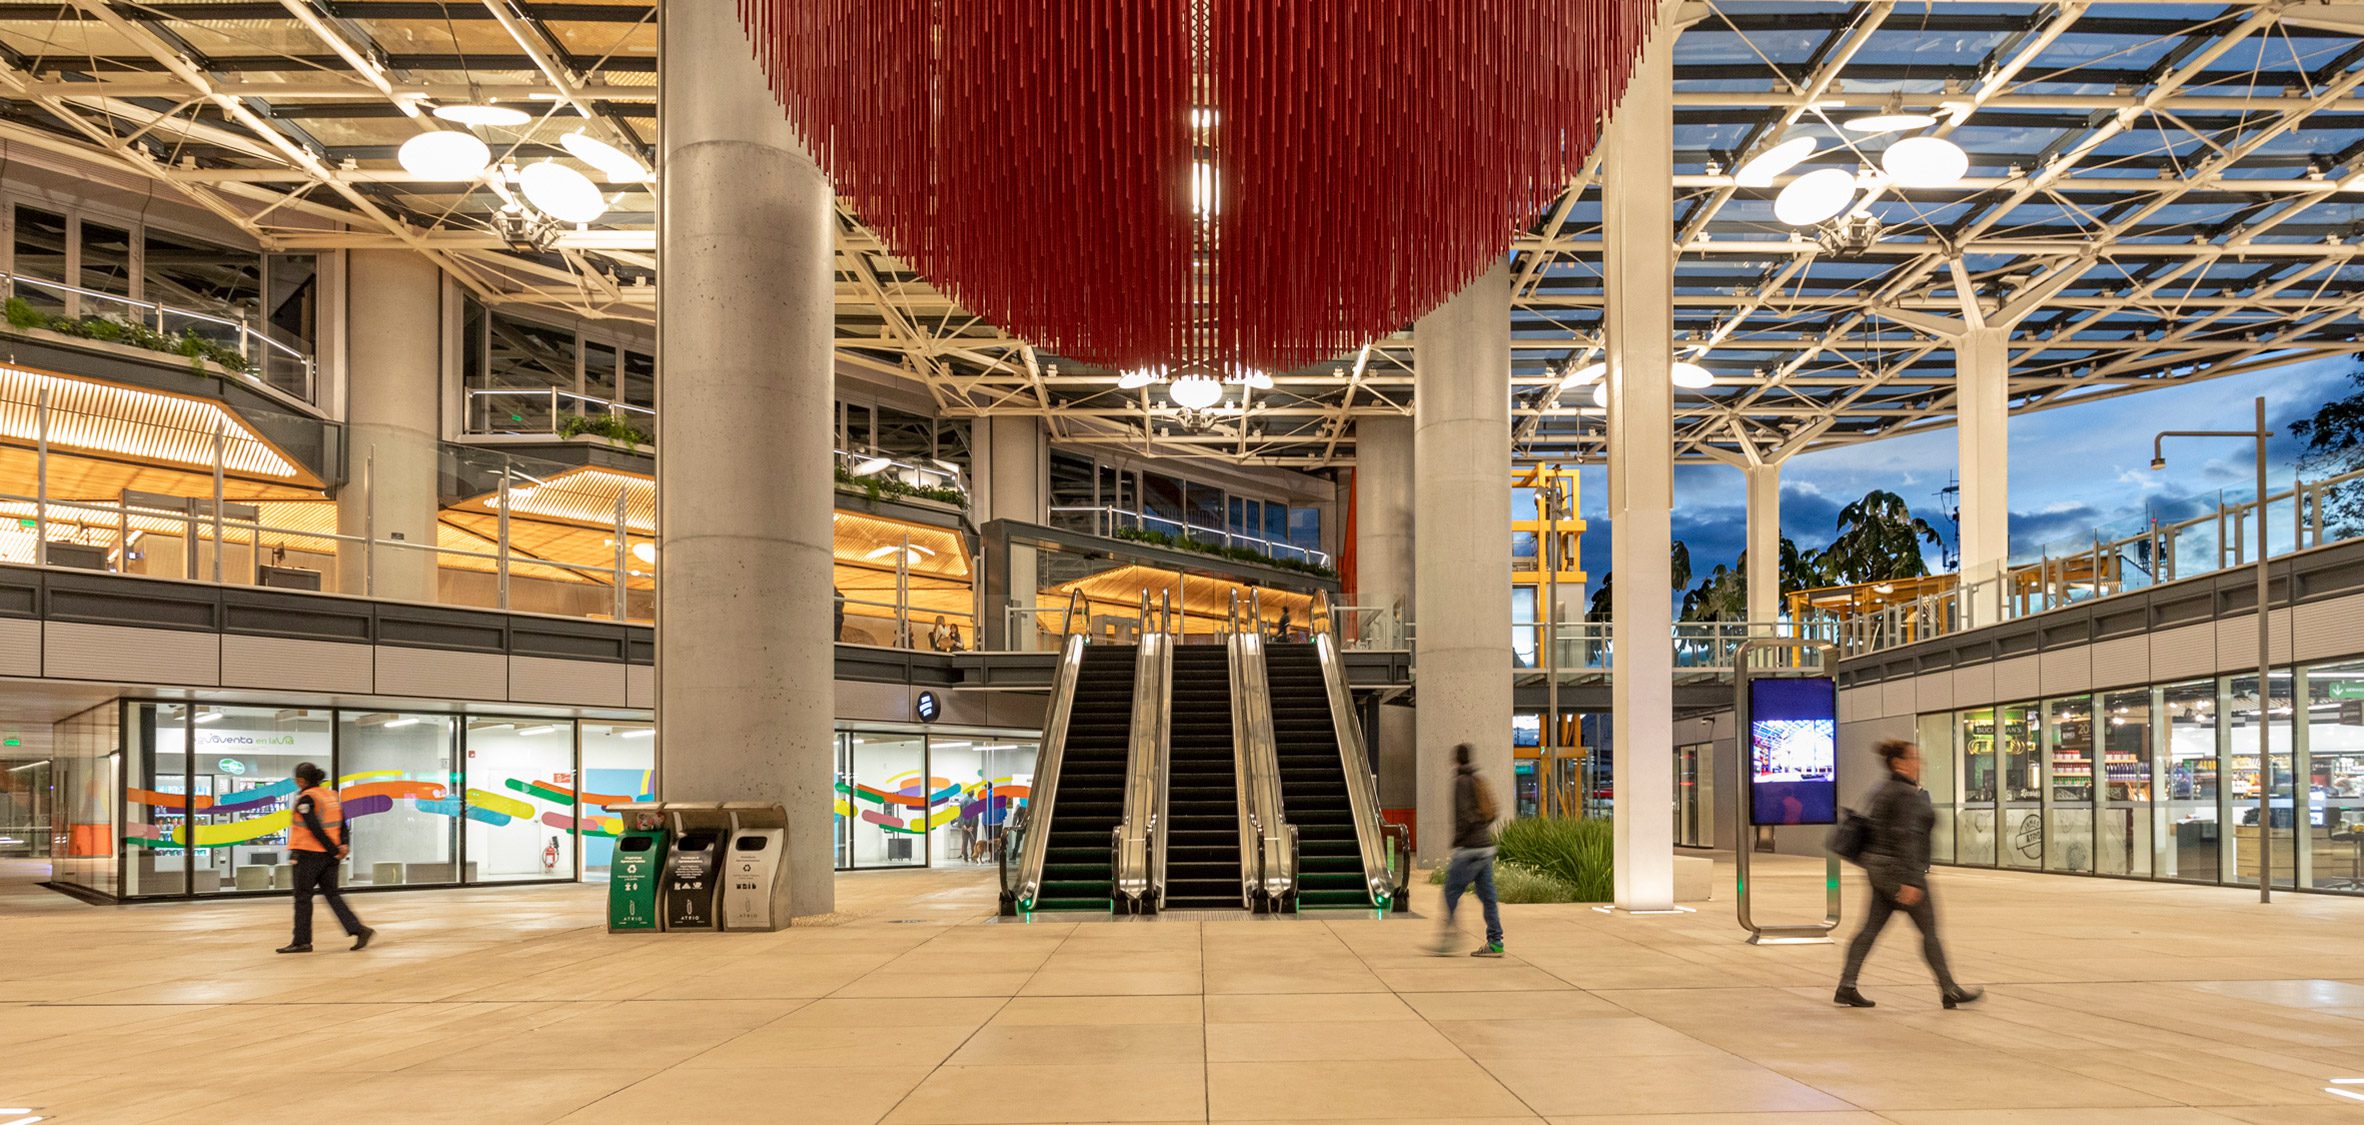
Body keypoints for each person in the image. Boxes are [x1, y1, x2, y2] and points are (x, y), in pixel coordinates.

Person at [1836, 739, 1978, 1009]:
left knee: (1869, 930)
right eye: (1913, 758)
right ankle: (1949, 989)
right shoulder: (1902, 793)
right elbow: (1907, 837)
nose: (1918, 764)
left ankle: (1847, 985)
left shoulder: (1886, 789)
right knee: (1929, 931)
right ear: (1898, 762)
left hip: (1881, 871)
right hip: (1900, 873)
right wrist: (1912, 880)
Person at [278, 762, 374, 954]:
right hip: (330, 858)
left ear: (301, 780)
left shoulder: (306, 799)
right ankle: (358, 929)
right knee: (332, 894)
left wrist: (332, 849)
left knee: (303, 897)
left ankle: (302, 941)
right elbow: (342, 823)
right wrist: (342, 846)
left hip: (308, 855)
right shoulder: (331, 795)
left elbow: (314, 827)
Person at [1434, 743, 1505, 958]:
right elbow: (1491, 811)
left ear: (1456, 759)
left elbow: (1464, 815)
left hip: (1469, 850)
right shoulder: (1478, 779)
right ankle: (1495, 942)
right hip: (1485, 848)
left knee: (1451, 891)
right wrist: (1481, 826)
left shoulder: (1460, 782)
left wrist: (1460, 838)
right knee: (1488, 896)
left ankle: (1449, 937)